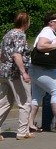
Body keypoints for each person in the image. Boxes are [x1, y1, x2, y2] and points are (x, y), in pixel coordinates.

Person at [28, 12, 56, 131]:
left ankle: (29, 124)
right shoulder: (47, 31)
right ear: (51, 22)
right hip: (42, 69)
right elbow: (41, 46)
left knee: (37, 96)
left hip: (38, 69)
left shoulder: (50, 32)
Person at [0, 11, 35, 139]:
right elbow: (16, 54)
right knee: (25, 102)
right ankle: (23, 131)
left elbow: (1, 54)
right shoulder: (20, 35)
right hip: (15, 73)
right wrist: (23, 72)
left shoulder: (8, 34)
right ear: (25, 23)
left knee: (5, 102)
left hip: (4, 72)